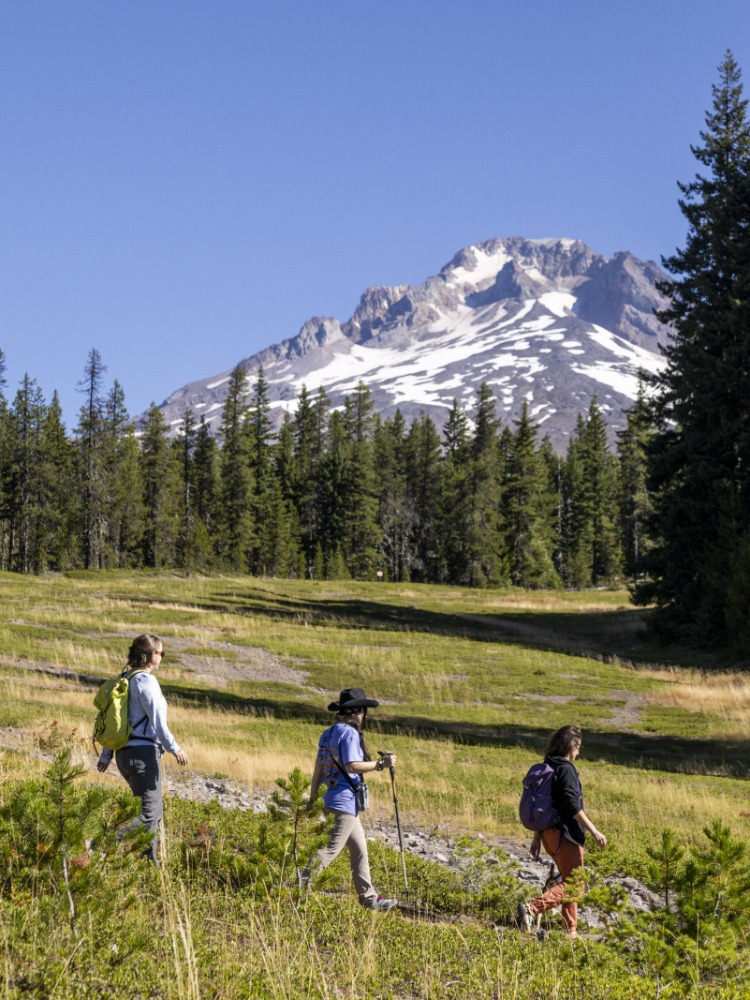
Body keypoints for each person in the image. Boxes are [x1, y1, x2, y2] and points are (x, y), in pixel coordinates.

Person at [301, 687, 398, 911]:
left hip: (330, 798)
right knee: (331, 848)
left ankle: (370, 899)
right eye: (363, 711)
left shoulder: (328, 733)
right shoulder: (350, 733)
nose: (364, 716)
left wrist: (314, 799)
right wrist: (380, 764)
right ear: (357, 712)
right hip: (343, 801)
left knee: (359, 849)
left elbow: (318, 770)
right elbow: (352, 765)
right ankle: (296, 887)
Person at [97, 634, 188, 863]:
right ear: (148, 655)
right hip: (143, 756)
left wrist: (107, 754)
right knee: (151, 813)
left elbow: (114, 719)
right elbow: (157, 720)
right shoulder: (146, 682)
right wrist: (174, 747)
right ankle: (102, 843)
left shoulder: (124, 679)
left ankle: (148, 864)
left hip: (123, 756)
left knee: (149, 812)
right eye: (160, 653)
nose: (162, 657)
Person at [518, 725, 606, 937]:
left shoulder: (549, 765)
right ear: (572, 745)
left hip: (549, 835)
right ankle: (532, 908)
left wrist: (536, 838)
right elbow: (572, 805)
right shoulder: (566, 769)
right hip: (565, 835)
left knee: (569, 881)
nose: (579, 752)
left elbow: (545, 805)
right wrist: (595, 832)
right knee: (575, 885)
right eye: (579, 747)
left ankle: (571, 933)